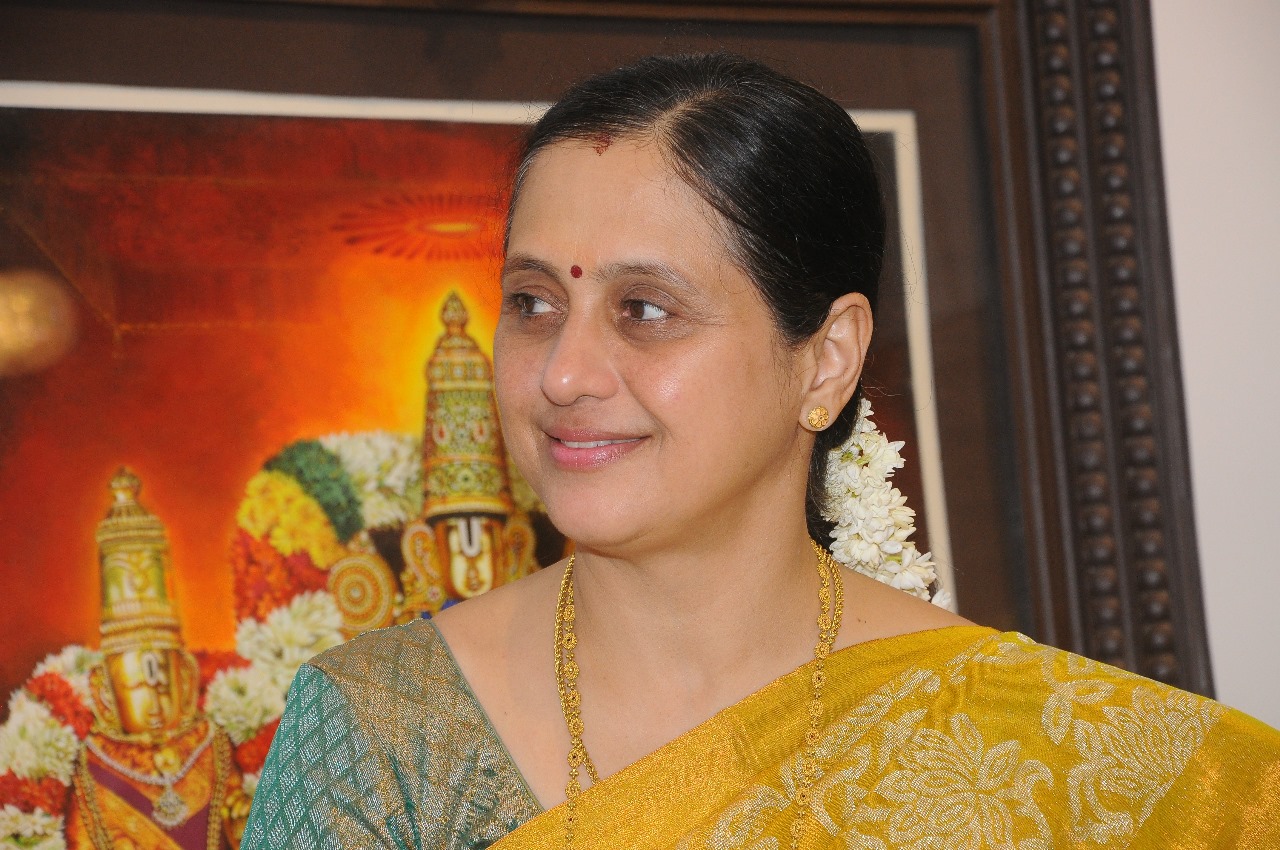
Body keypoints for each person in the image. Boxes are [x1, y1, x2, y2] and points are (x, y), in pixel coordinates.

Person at [239, 54, 1280, 849]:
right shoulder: (382, 735)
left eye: (645, 309)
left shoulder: (1050, 755)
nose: (562, 373)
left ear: (826, 360)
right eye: (533, 303)